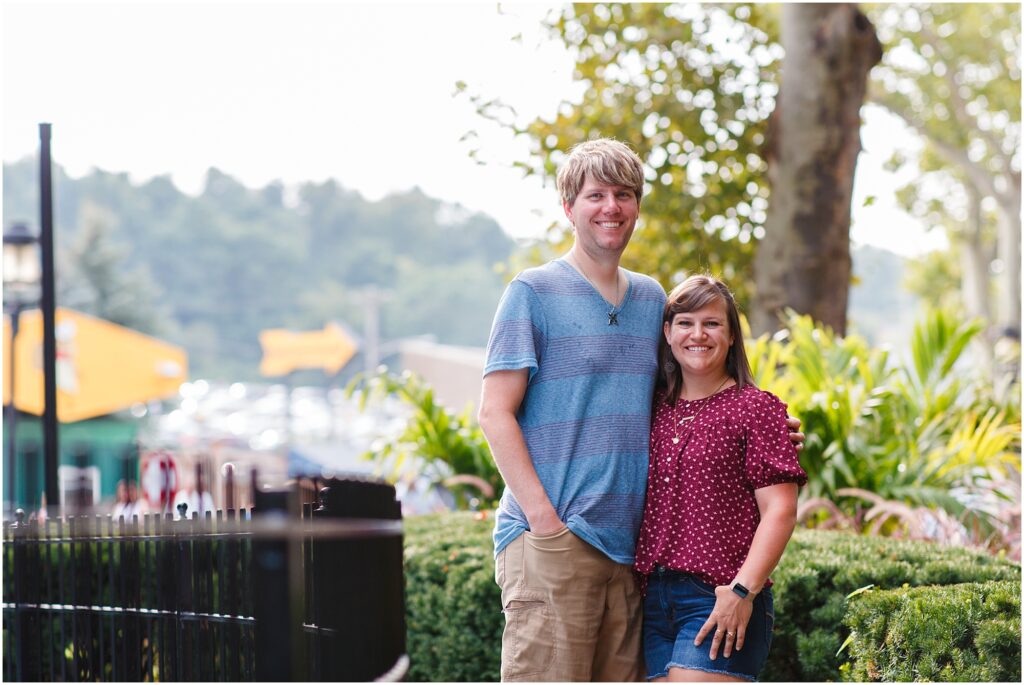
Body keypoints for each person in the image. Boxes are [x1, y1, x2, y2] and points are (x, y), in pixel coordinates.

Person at [478, 138, 804, 682]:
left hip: (633, 560)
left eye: (624, 195)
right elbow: (494, 413)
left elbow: (685, 391)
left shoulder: (654, 301)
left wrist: (768, 427)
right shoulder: (531, 292)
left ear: (637, 207)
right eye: (596, 195)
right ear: (569, 208)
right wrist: (546, 524)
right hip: (556, 539)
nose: (611, 207)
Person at [634, 275, 807, 683]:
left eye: (712, 324)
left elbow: (780, 510)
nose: (698, 334)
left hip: (719, 595)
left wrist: (742, 592)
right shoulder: (653, 407)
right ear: (667, 332)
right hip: (653, 603)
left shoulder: (756, 408)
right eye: (685, 322)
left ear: (732, 337)